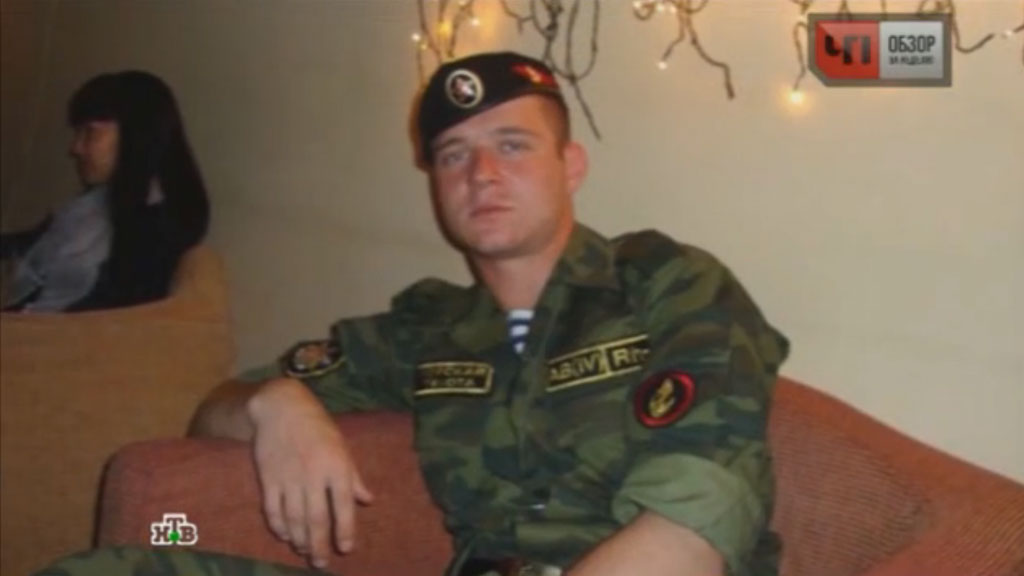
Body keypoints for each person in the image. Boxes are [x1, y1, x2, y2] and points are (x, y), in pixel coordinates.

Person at [35, 52, 788, 576]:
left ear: (571, 166)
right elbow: (213, 410)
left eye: (512, 145)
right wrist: (276, 404)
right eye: (454, 154)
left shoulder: (666, 281)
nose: (481, 173)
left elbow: (697, 517)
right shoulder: (426, 330)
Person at [1, 70, 209, 312]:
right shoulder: (96, 204)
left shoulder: (160, 223)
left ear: (136, 136)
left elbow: (104, 311)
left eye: (90, 132)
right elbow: (32, 243)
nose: (76, 148)